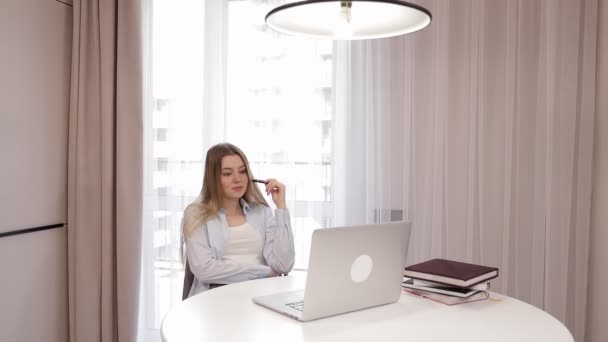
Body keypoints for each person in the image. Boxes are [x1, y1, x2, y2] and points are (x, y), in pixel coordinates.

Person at [181, 143, 295, 298]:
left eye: (242, 171)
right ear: (213, 178)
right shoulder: (196, 214)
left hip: (258, 297)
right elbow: (205, 270)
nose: (237, 179)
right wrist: (265, 271)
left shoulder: (262, 212)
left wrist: (281, 207)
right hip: (213, 300)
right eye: (227, 173)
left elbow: (284, 264)